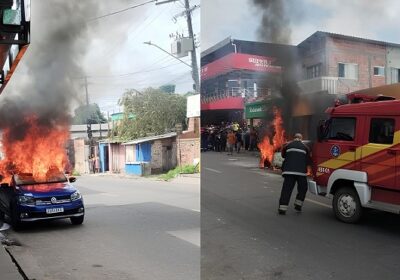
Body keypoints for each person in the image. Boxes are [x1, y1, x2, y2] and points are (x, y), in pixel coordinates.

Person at [278, 133, 311, 215]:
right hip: (301, 173)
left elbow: (283, 155)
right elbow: (308, 159)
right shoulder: (305, 147)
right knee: (303, 188)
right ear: (301, 138)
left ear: (294, 138)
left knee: (286, 190)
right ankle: (298, 205)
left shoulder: (287, 145)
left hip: (289, 171)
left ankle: (282, 208)